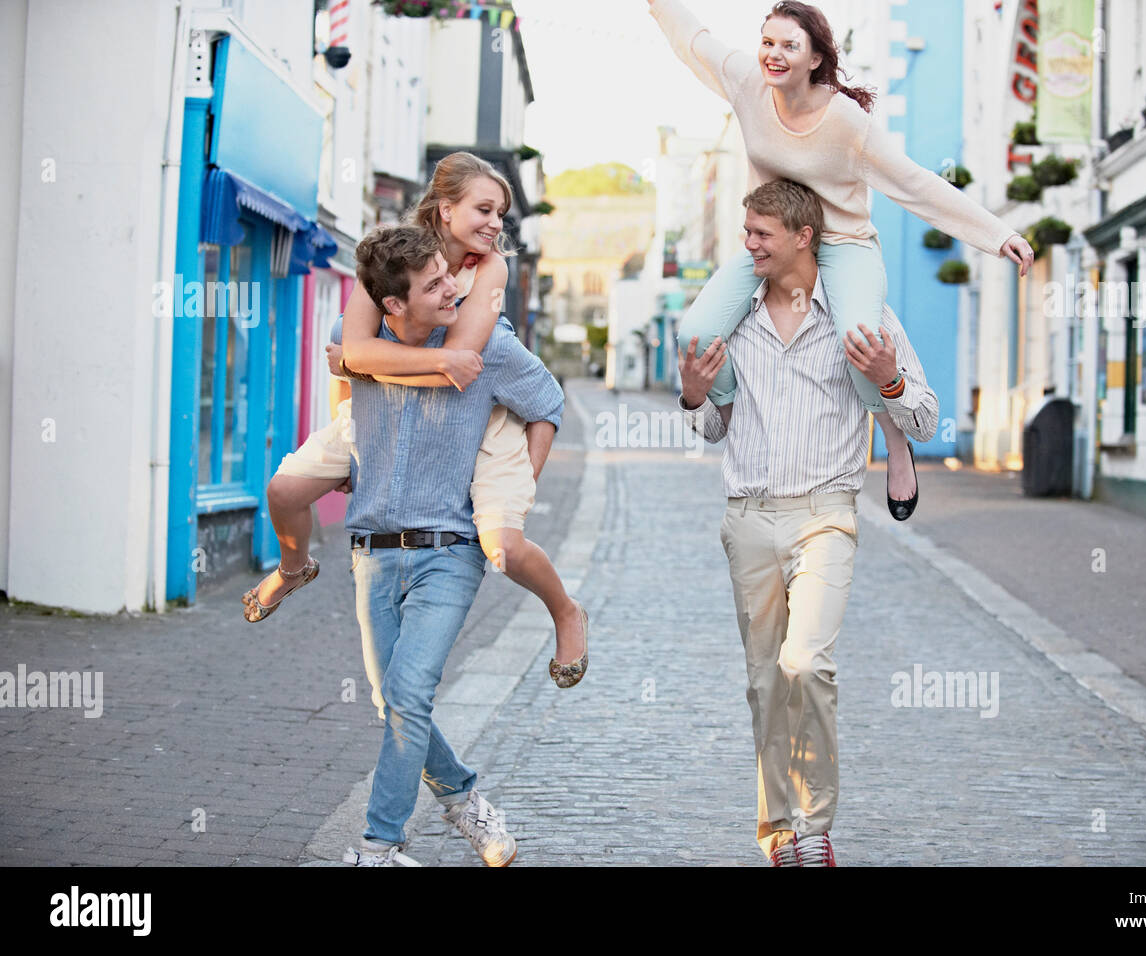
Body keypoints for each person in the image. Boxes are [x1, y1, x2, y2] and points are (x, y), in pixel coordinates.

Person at [648, 0, 1033, 513]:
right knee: (694, 334)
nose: (774, 55)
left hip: (844, 244)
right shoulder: (746, 83)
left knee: (859, 338)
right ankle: (736, 419)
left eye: (790, 46)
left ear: (814, 59)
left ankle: (895, 440)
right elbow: (692, 40)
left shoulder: (847, 122)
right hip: (775, 242)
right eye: (768, 42)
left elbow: (914, 183)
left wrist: (994, 233)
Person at [243, 152, 589, 690]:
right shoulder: (390, 256)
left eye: (501, 213)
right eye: (484, 209)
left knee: (504, 546)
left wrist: (363, 364)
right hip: (380, 410)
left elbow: (457, 365)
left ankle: (566, 612)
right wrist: (356, 386)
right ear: (445, 209)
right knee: (284, 493)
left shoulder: (489, 267)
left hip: (479, 410)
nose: (496, 224)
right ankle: (293, 569)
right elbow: (355, 348)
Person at [677, 179, 937, 867]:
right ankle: (780, 832)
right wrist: (695, 397)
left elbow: (925, 418)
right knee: (765, 681)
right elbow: (712, 428)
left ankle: (816, 826)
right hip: (748, 517)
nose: (748, 244)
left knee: (806, 664)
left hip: (827, 514)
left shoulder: (861, 315)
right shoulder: (733, 319)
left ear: (803, 237)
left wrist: (888, 381)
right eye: (747, 231)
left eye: (761, 233)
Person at [335, 224, 565, 867]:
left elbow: (548, 401)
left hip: (450, 550)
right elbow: (344, 369)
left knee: (408, 694)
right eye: (433, 285)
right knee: (391, 699)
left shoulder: (485, 343)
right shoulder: (364, 346)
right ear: (392, 308)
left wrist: (515, 492)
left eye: (448, 274)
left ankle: (380, 847)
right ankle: (463, 797)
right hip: (370, 550)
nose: (451, 290)